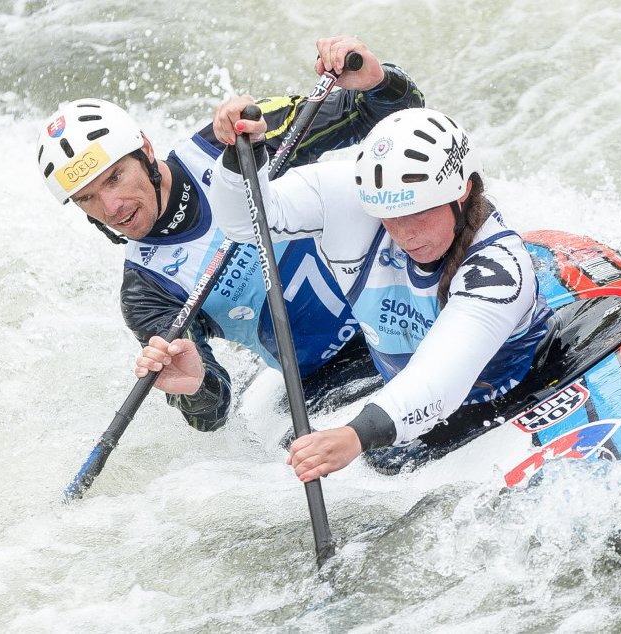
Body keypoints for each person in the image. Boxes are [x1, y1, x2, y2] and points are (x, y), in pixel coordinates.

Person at [139, 105, 554, 480]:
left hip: (512, 392)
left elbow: (439, 378)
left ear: (461, 192)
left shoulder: (500, 268)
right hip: (403, 405)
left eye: (419, 213)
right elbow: (248, 225)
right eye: (390, 215)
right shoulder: (351, 196)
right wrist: (238, 160)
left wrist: (357, 435)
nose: (406, 233)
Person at [36, 36, 424, 433]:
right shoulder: (146, 291)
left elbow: (393, 116)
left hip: (410, 312)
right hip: (328, 380)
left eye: (115, 177)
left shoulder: (238, 140)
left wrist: (375, 78)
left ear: (146, 151)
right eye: (88, 198)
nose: (112, 206)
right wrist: (194, 388)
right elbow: (213, 412)